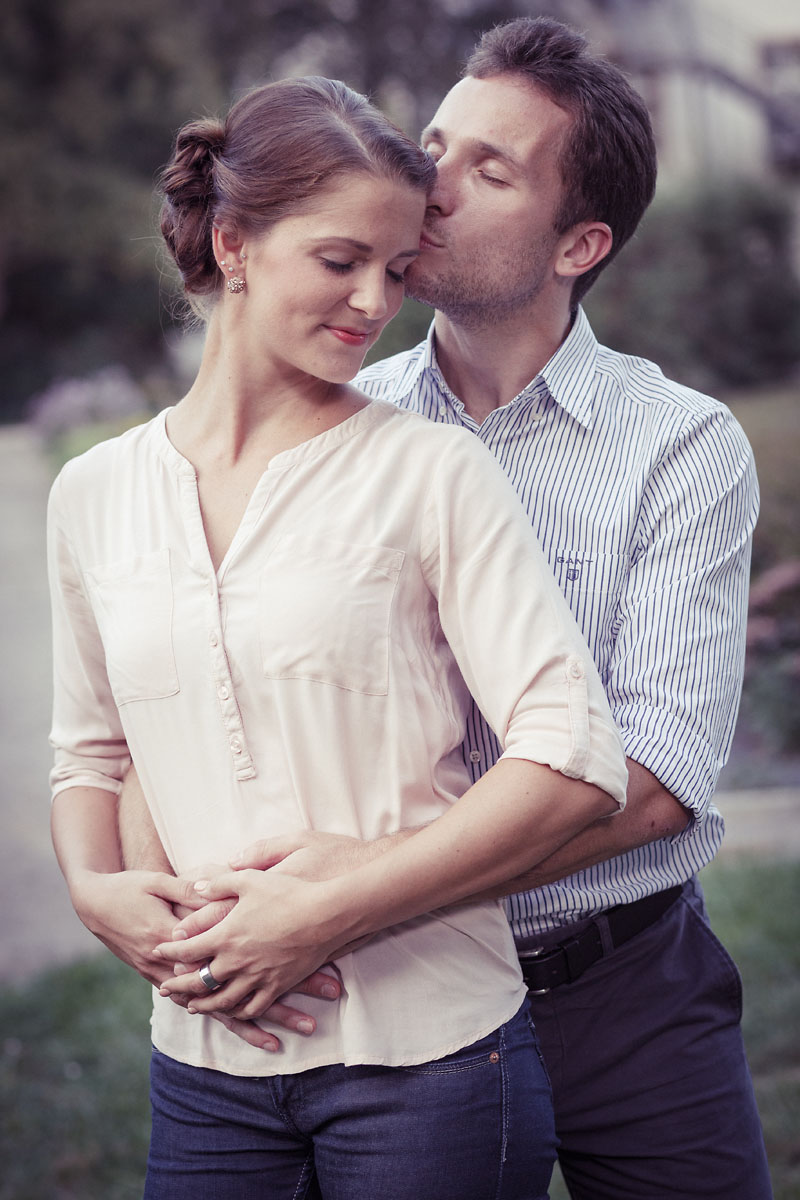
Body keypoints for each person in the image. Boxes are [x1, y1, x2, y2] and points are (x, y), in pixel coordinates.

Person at [142, 17, 772, 1198]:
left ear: (578, 240)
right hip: (392, 997)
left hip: (619, 991)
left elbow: (653, 782)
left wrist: (349, 892)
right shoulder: (333, 417)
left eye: (491, 170)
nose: (430, 184)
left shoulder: (679, 447)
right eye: (437, 143)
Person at [47, 75, 630, 1198]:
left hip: (429, 1058)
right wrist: (91, 887)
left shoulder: (428, 471)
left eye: (397, 270)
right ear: (233, 242)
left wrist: (323, 912)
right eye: (338, 260)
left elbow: (571, 759)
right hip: (207, 1064)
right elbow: (91, 750)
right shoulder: (95, 493)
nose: (373, 301)